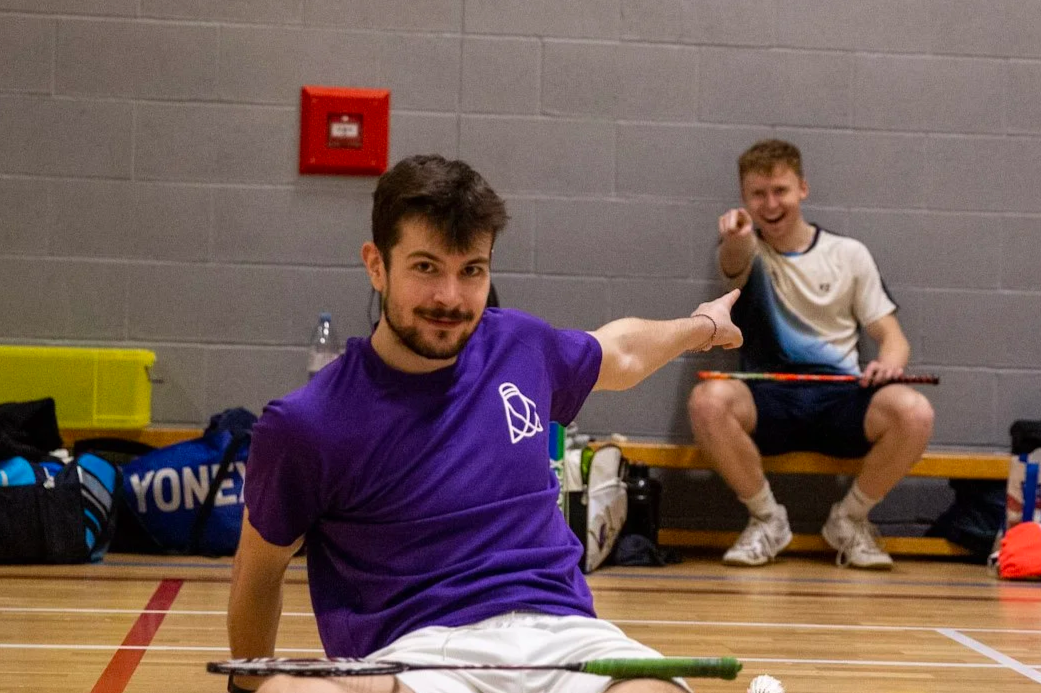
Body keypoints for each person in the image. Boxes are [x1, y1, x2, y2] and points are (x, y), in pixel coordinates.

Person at [227, 155, 742, 693]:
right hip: (416, 656)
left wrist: (703, 325)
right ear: (376, 265)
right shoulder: (308, 423)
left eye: (471, 270)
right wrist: (247, 687)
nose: (450, 297)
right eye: (426, 267)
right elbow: (258, 571)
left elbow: (624, 351)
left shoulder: (520, 347)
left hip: (565, 639)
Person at [687, 139, 935, 570]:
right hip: (768, 399)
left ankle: (850, 520)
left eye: (780, 190)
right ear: (745, 199)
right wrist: (736, 237)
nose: (770, 204)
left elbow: (892, 336)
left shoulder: (849, 254)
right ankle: (768, 520)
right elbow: (732, 258)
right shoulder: (746, 251)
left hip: (841, 399)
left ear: (802, 188)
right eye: (757, 194)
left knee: (915, 412)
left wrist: (890, 363)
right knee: (707, 402)